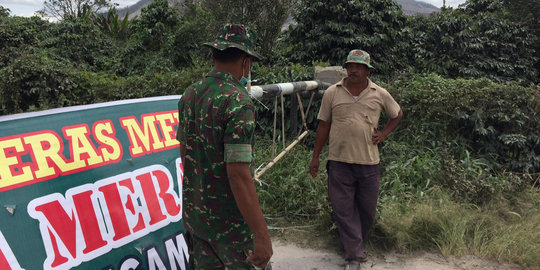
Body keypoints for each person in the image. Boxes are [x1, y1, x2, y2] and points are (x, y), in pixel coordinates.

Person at [176, 24, 272, 269]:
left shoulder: (189, 95)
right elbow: (238, 175)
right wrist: (261, 235)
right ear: (245, 61)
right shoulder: (238, 102)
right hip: (230, 230)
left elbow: (185, 156)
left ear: (213, 56)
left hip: (197, 220)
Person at [309, 49, 403, 270]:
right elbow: (323, 125)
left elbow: (397, 114)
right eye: (350, 66)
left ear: (367, 70)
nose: (353, 70)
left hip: (369, 163)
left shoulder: (379, 93)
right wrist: (315, 157)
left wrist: (384, 134)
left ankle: (354, 245)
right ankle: (354, 256)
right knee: (342, 208)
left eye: (358, 66)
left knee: (367, 211)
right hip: (339, 161)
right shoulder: (332, 92)